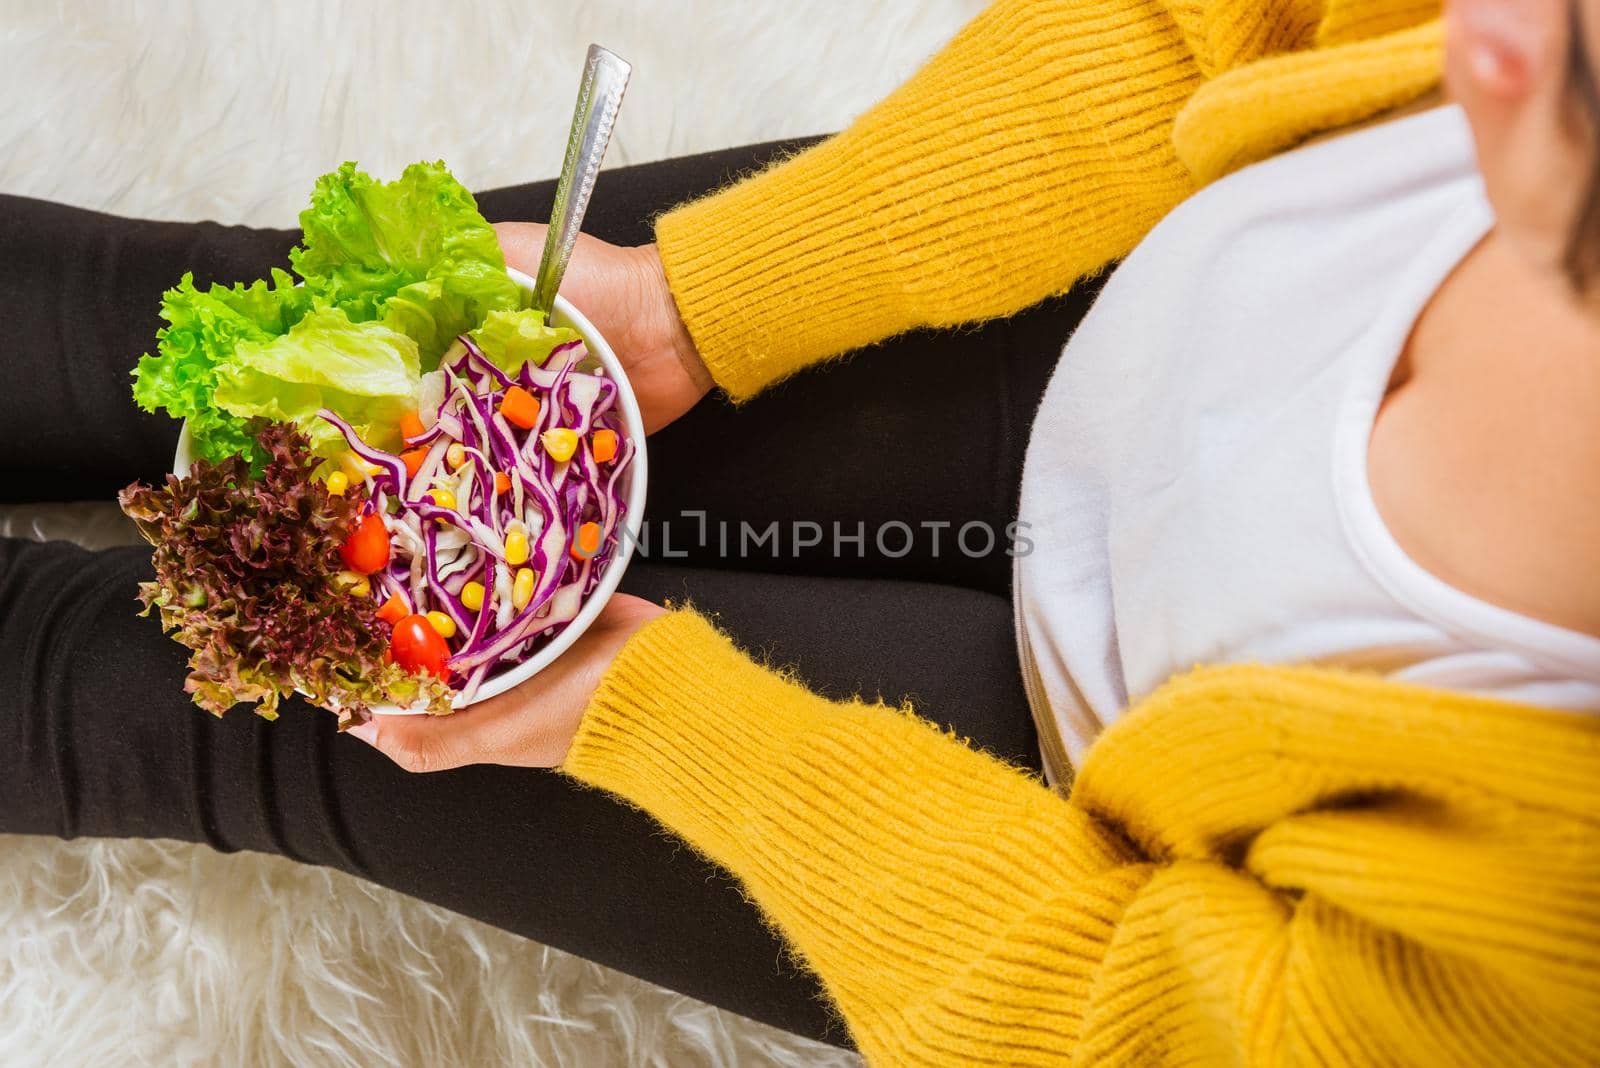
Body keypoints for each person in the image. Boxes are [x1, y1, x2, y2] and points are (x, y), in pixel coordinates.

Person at [3, 0, 1597, 1063]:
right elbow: (1204, 28)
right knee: (219, 341)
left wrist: (649, 720)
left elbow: (1123, 1020)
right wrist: (709, 296)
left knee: (209, 717)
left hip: (1061, 827)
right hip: (1092, 291)